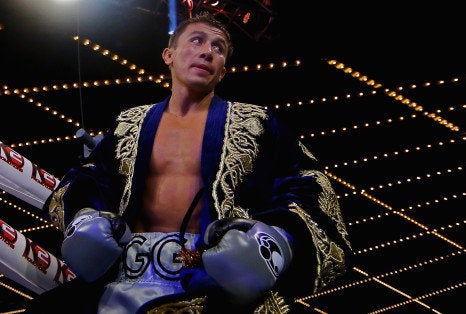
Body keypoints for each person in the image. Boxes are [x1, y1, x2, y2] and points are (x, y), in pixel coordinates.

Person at [26, 11, 351, 314]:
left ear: (223, 70)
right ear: (169, 55)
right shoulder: (128, 124)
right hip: (124, 276)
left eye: (218, 48)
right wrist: (86, 219)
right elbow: (89, 178)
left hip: (215, 277)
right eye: (197, 40)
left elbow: (308, 183)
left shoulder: (258, 123)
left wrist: (272, 240)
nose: (207, 51)